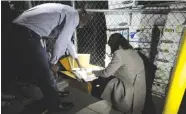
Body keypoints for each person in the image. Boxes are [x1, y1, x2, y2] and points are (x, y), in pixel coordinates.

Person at [10, 3, 90, 112]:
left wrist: (76, 59)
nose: (84, 25)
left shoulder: (70, 12)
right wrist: (54, 62)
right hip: (27, 32)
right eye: (85, 23)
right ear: (83, 17)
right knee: (46, 71)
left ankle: (53, 93)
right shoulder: (73, 16)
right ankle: (55, 106)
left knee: (41, 67)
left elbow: (67, 41)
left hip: (20, 28)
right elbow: (61, 41)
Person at [93, 33, 146, 114]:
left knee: (107, 81)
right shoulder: (134, 52)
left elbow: (106, 73)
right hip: (139, 90)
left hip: (128, 91)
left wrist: (94, 72)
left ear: (114, 45)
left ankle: (106, 104)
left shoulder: (119, 53)